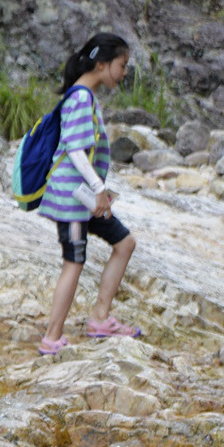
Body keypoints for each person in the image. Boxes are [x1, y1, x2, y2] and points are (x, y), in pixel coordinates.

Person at [38, 32, 141, 354]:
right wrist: (98, 189)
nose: (124, 72)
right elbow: (75, 150)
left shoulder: (85, 96)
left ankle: (100, 319)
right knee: (74, 261)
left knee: (124, 243)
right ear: (101, 64)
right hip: (73, 200)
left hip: (85, 198)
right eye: (122, 65)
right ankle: (52, 338)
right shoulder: (81, 97)